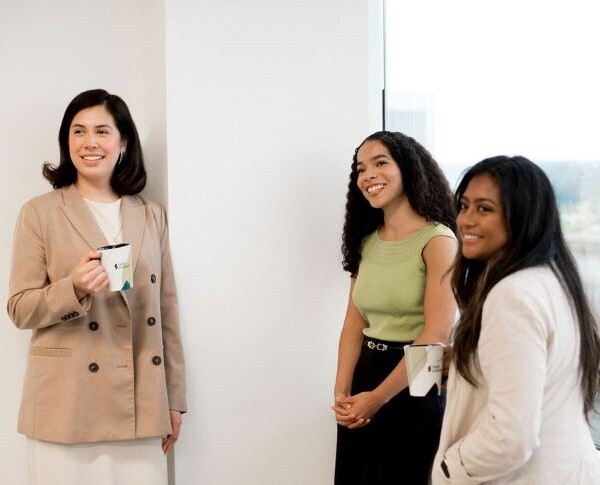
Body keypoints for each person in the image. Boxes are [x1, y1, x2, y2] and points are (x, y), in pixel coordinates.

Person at [7, 89, 187, 484]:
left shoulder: (150, 213)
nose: (90, 142)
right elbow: (19, 308)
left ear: (123, 144)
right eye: (78, 131)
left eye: (102, 131)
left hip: (141, 398)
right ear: (66, 142)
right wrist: (72, 287)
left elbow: (167, 312)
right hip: (67, 403)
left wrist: (174, 400)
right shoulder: (40, 212)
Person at [432, 156, 600, 484]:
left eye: (484, 209)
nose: (466, 219)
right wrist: (469, 359)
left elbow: (511, 436)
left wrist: (451, 466)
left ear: (522, 216)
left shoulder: (511, 296)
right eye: (464, 206)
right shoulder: (553, 279)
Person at [332, 131, 458, 484]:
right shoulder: (366, 243)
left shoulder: (439, 240)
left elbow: (436, 334)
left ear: (409, 169)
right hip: (365, 375)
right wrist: (343, 394)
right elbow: (353, 324)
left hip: (416, 379)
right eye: (361, 168)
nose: (368, 175)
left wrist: (377, 398)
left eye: (380, 163)